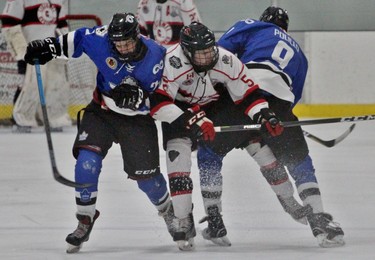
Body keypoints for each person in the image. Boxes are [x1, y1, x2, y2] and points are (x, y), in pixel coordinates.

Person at [23, 12, 176, 253]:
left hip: (137, 121)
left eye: (127, 42)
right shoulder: (101, 38)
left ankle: (168, 211)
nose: (122, 48)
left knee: (148, 181)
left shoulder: (157, 55)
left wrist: (141, 98)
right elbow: (75, 40)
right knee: (86, 163)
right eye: (118, 43)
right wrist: (48, 46)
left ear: (137, 36)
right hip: (102, 112)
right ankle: (85, 218)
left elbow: (164, 97)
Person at [150, 21, 289, 250]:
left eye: (209, 50)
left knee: (224, 152)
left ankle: (215, 216)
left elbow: (248, 94)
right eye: (201, 54)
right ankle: (184, 219)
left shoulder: (225, 59)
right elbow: (158, 103)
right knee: (178, 163)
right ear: (186, 51)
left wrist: (263, 115)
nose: (208, 56)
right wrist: (191, 120)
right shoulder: (171, 61)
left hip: (213, 108)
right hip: (179, 111)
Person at [216, 6, 345, 248]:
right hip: (278, 104)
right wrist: (279, 118)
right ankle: (319, 221)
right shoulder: (299, 52)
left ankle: (279, 197)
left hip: (242, 95)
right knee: (298, 160)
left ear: (264, 20)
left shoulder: (253, 25)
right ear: (285, 27)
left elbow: (221, 54)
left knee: (252, 144)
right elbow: (292, 97)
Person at [0, 0, 72, 132]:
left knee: (55, 84)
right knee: (28, 84)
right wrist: (22, 50)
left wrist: (65, 46)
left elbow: (61, 24)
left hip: (50, 50)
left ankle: (52, 117)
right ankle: (21, 119)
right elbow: (8, 22)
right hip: (29, 50)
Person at [136, 0, 201, 47]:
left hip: (179, 55)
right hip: (156, 55)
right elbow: (139, 34)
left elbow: (197, 33)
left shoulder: (184, 2)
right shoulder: (143, 3)